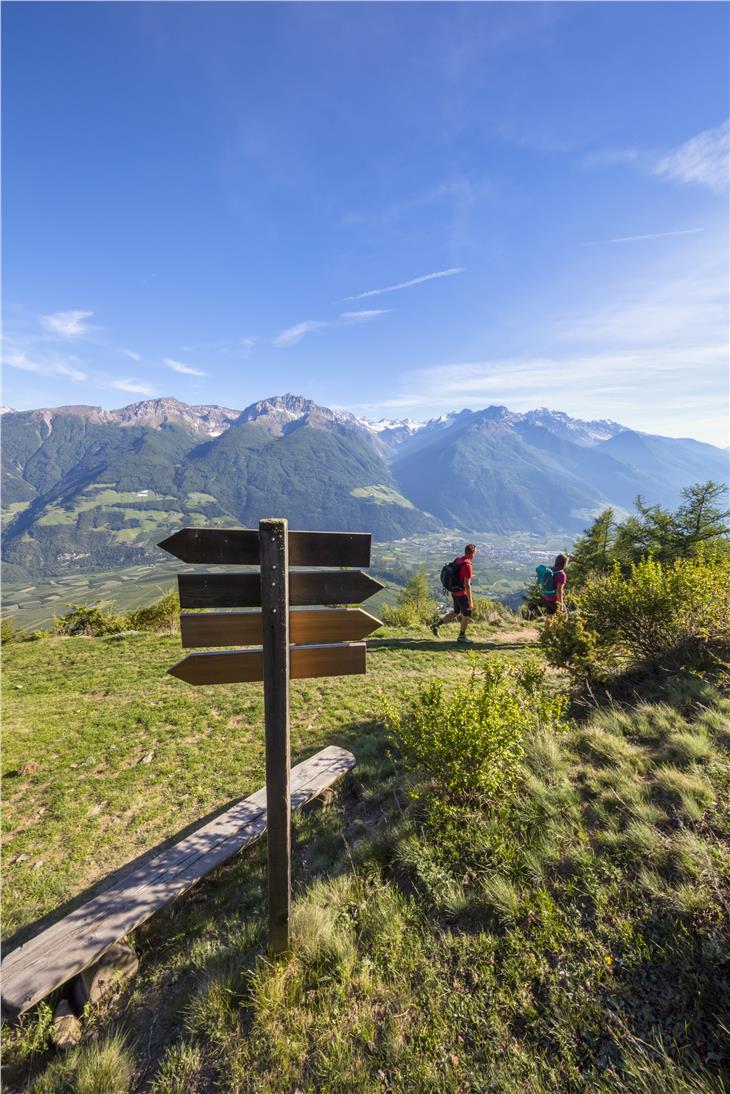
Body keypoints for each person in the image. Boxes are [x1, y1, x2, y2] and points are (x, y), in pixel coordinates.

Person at [431, 543, 477, 644]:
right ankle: (462, 636)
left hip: (454, 591)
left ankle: (436, 625)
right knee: (466, 614)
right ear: (473, 553)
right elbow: (467, 585)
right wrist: (470, 601)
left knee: (456, 612)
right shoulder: (468, 565)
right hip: (462, 593)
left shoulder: (458, 560)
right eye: (475, 552)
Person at [541, 553, 568, 626]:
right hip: (554, 599)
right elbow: (559, 590)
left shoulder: (550, 569)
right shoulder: (561, 574)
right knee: (561, 618)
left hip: (546, 596)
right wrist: (561, 604)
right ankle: (556, 632)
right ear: (564, 563)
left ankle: (546, 631)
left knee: (549, 616)